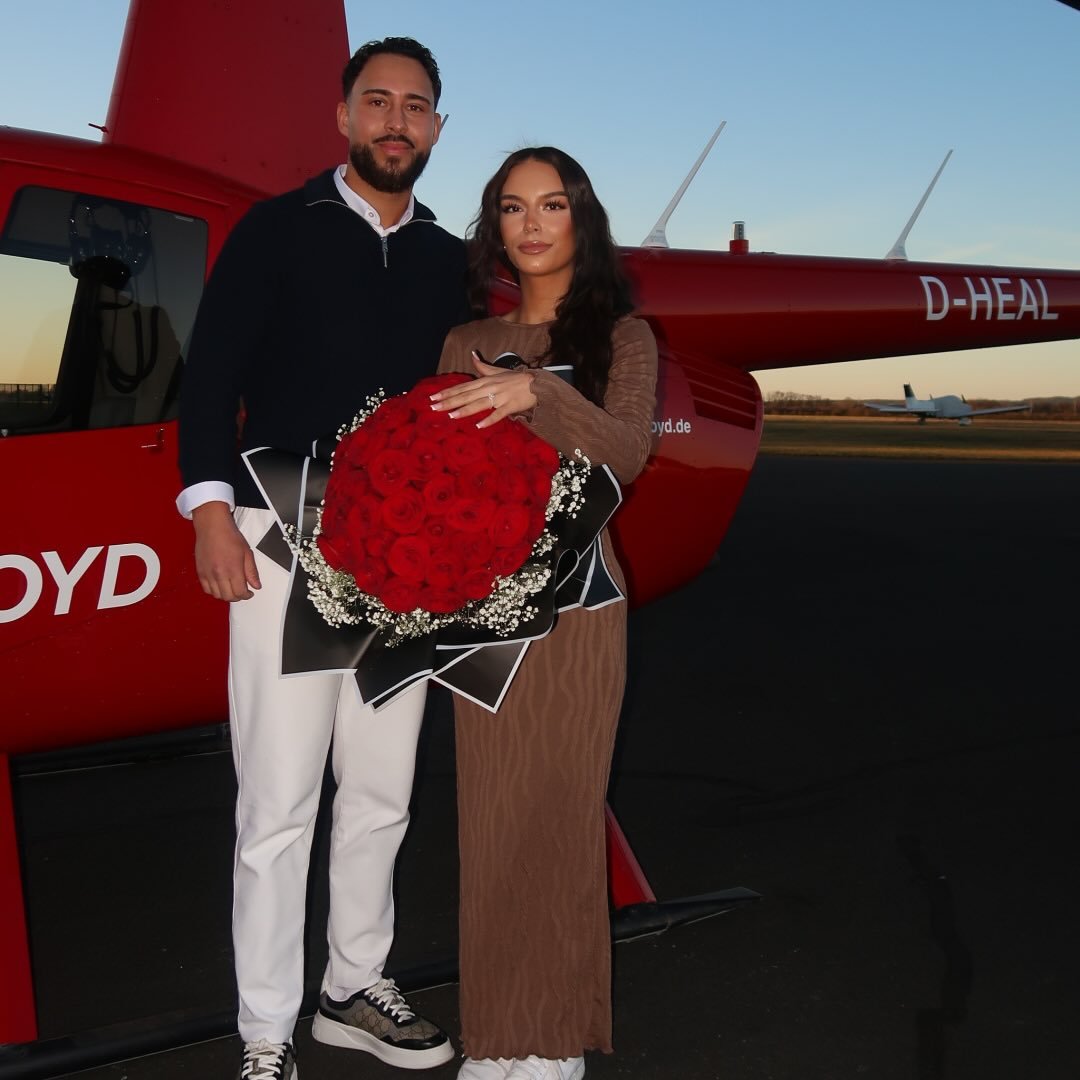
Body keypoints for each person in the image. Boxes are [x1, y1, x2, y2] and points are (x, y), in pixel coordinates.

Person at [176, 37, 469, 1080]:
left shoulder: (450, 259)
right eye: (377, 101)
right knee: (279, 803)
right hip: (280, 539)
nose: (396, 121)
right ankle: (266, 1029)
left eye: (416, 106)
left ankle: (353, 987)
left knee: (383, 791)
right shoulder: (275, 229)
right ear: (343, 117)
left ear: (437, 128)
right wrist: (210, 513)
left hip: (405, 558)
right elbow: (210, 379)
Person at [429, 148, 658, 1080]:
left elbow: (627, 452)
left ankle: (553, 1039)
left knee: (559, 819)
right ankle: (498, 1035)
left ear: (581, 219)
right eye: (513, 207)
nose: (531, 224)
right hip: (482, 605)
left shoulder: (624, 338)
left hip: (579, 608)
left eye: (551, 205)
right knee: (490, 820)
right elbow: (436, 466)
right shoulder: (465, 339)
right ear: (495, 225)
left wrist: (540, 391)